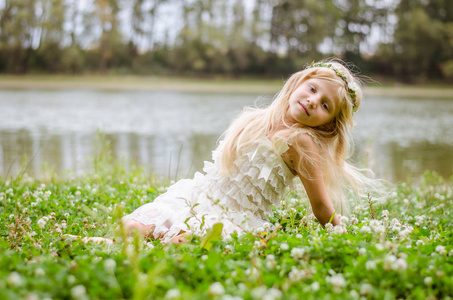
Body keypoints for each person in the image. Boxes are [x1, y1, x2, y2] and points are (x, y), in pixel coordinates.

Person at [76, 59, 374, 245]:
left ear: (328, 124)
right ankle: (105, 242)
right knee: (131, 227)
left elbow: (321, 206)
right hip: (197, 196)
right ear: (298, 83)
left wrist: (344, 236)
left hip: (237, 217)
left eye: (325, 105)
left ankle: (148, 245)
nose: (313, 101)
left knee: (183, 242)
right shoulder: (257, 118)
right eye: (312, 90)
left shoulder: (301, 142)